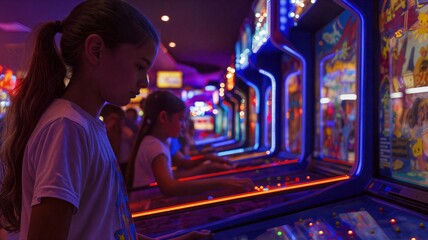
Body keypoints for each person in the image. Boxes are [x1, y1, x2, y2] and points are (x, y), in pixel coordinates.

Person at [0, 1, 210, 239]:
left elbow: (107, 230)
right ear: (96, 50)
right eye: (140, 66)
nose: (145, 83)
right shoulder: (67, 128)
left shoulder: (85, 125)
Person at [126, 90, 254, 197]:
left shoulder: (158, 142)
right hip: (147, 212)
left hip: (147, 206)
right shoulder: (154, 146)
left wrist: (207, 161)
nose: (184, 126)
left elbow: (177, 169)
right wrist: (221, 182)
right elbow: (169, 188)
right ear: (164, 117)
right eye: (181, 120)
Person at [100, 104, 135, 175]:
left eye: (115, 119)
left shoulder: (125, 132)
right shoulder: (101, 132)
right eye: (112, 118)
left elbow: (134, 146)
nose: (114, 122)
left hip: (124, 163)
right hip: (110, 163)